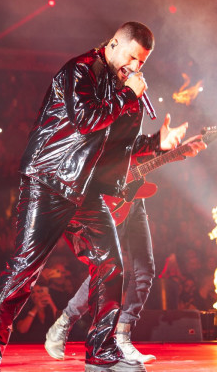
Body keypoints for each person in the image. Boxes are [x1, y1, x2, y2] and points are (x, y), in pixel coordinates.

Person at [0, 21, 188, 372]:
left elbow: (117, 147)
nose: (135, 67)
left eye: (142, 62)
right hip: (50, 181)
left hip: (87, 190)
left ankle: (101, 352)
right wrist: (129, 95)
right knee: (26, 266)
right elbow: (86, 120)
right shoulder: (80, 70)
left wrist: (156, 143)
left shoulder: (122, 87)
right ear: (114, 44)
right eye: (131, 57)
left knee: (111, 264)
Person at [45, 136, 206, 364]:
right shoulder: (105, 118)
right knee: (106, 269)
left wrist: (177, 151)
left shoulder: (137, 121)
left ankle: (122, 337)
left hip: (134, 199)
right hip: (107, 199)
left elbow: (145, 154)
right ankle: (64, 323)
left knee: (144, 270)